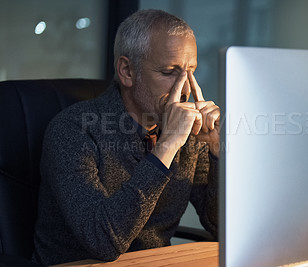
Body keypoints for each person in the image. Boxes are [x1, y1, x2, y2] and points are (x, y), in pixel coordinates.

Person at [32, 9, 220, 266]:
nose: (185, 88)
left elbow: (220, 226)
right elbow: (104, 242)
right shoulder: (73, 129)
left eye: (190, 71)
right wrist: (166, 146)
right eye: (169, 72)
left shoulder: (188, 134)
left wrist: (218, 154)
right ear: (127, 71)